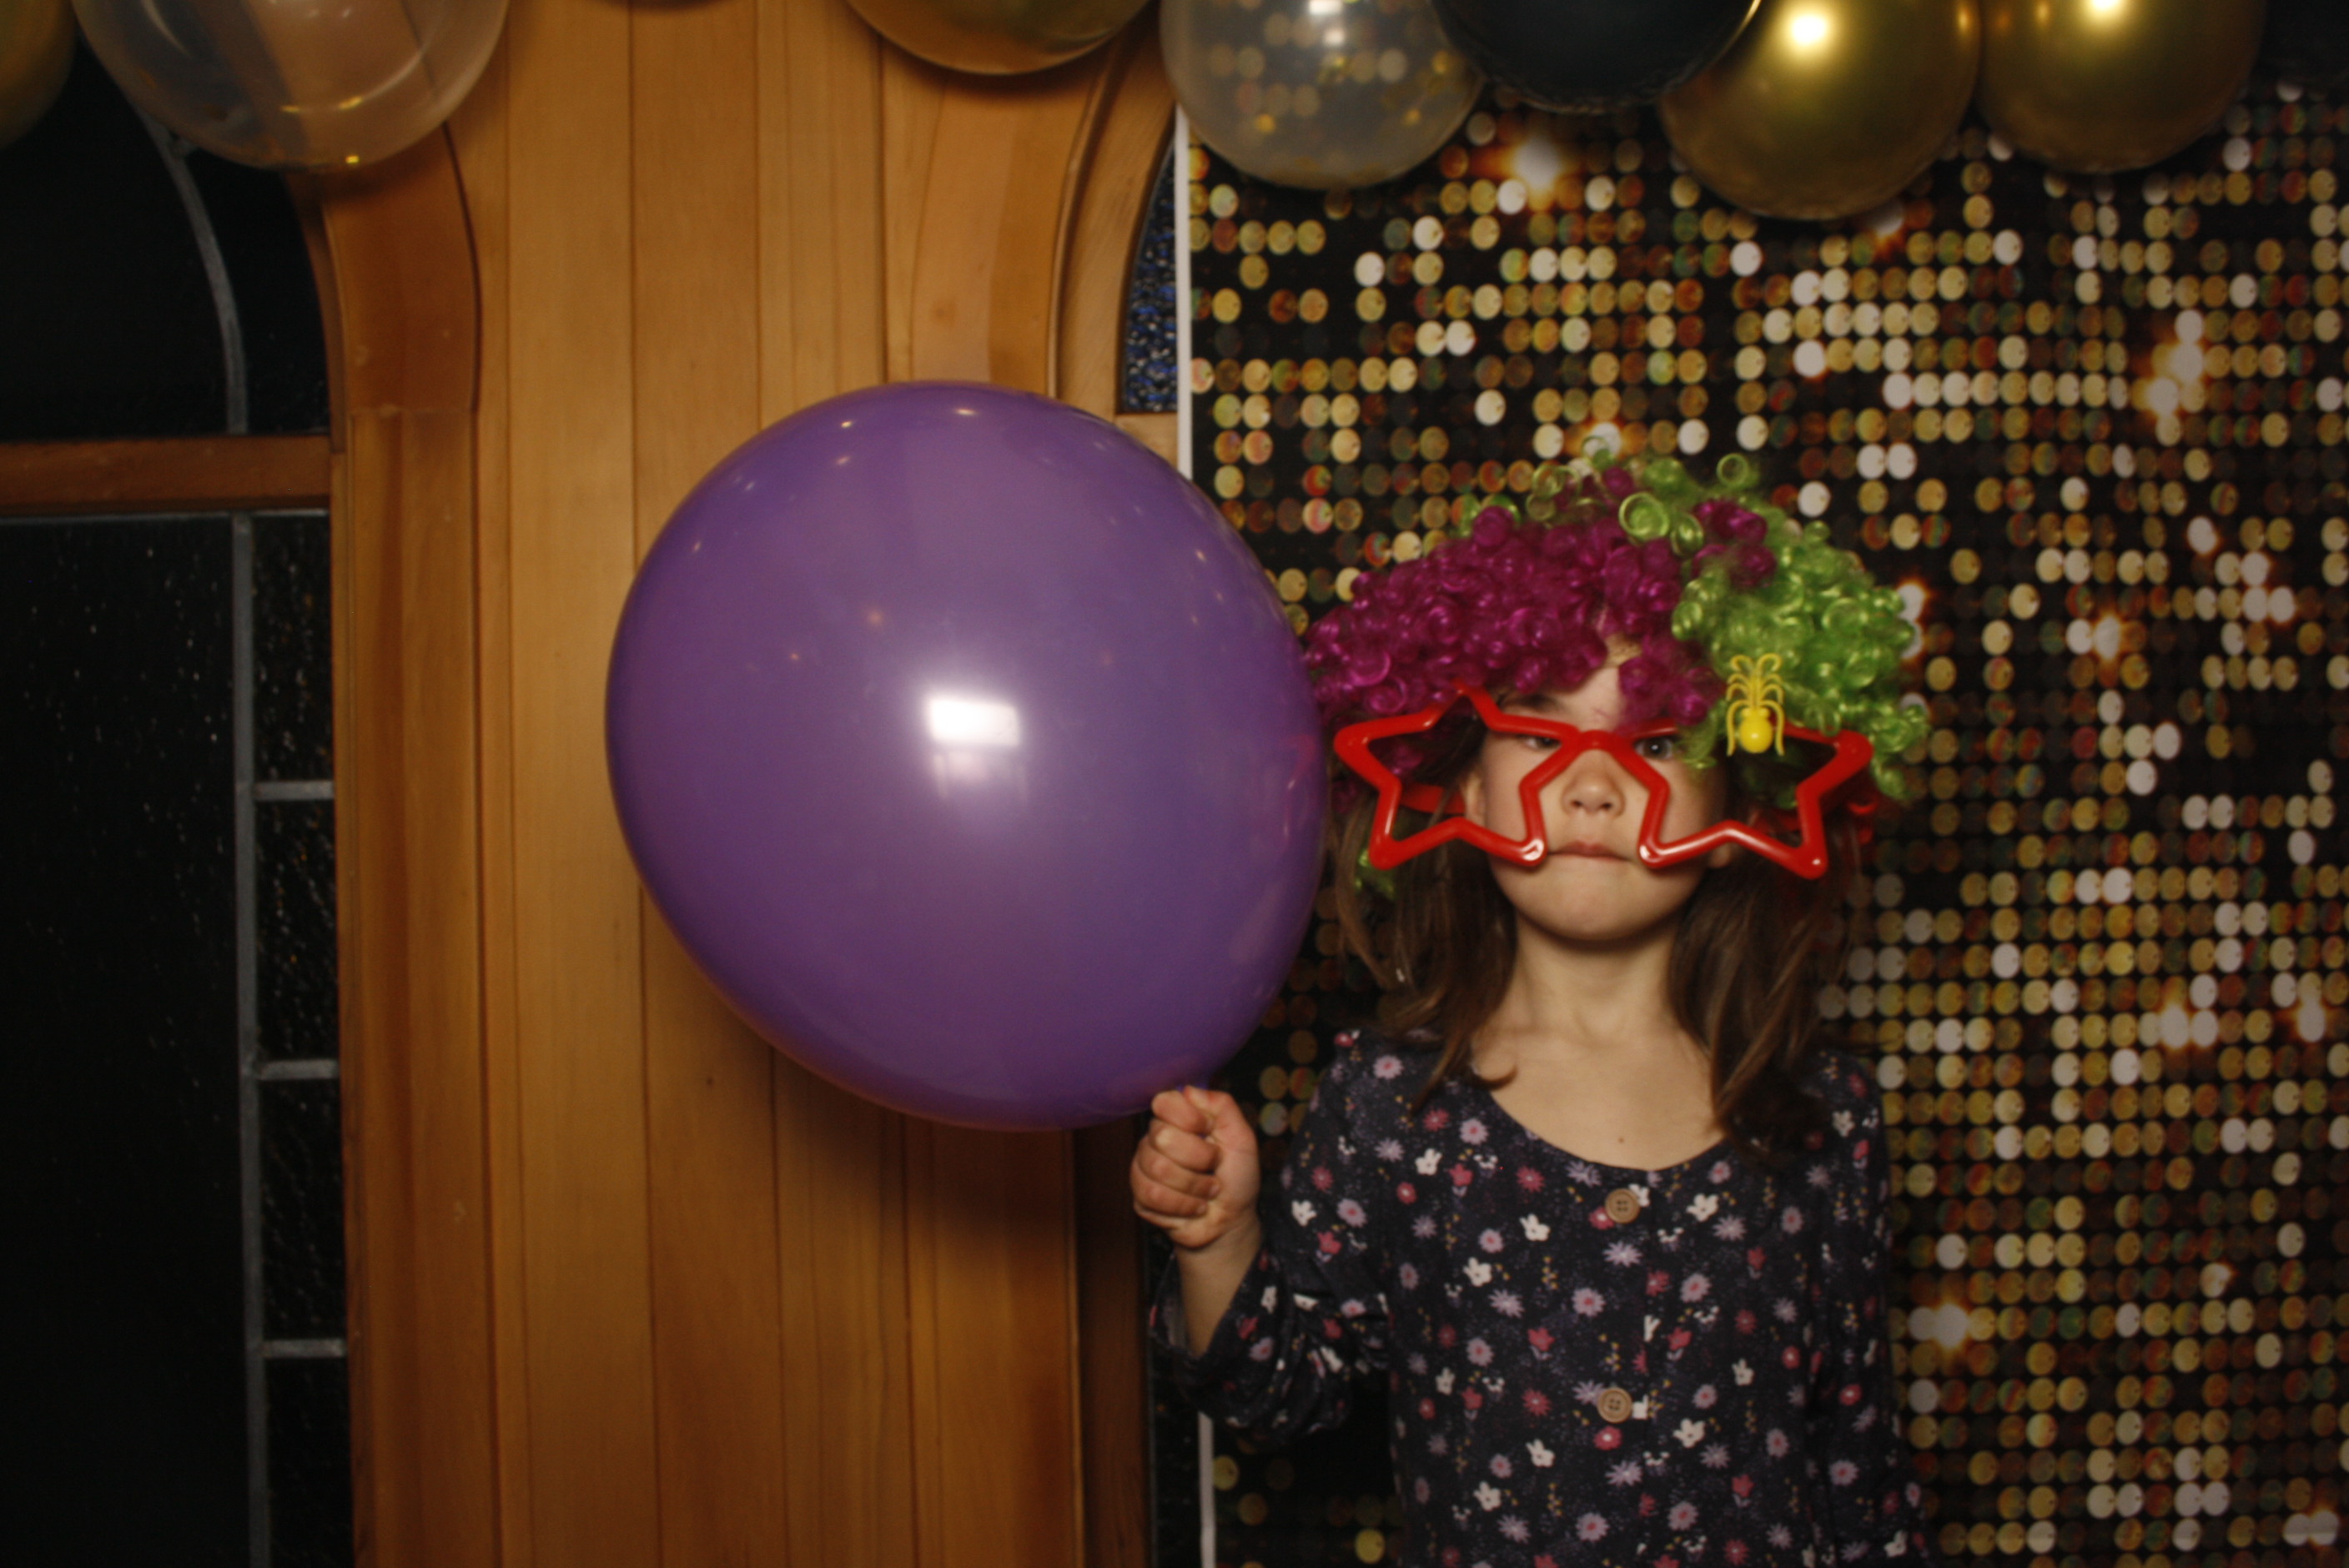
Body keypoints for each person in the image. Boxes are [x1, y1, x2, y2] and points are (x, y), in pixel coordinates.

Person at [1130, 453, 1935, 1568]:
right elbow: (1276, 1400)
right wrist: (1218, 1238)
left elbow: (1862, 1477)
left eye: (1656, 741)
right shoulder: (1389, 1100)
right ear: (1460, 782)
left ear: (1740, 794)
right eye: (1539, 728)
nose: (1597, 784)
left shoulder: (1825, 1117)